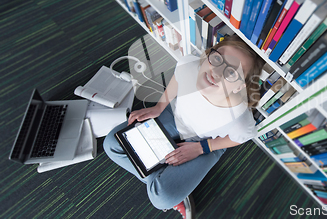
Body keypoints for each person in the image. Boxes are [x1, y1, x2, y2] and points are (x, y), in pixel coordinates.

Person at [103, 35, 265, 219]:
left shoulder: (238, 118)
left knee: (161, 198)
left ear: (239, 87)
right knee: (112, 144)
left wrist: (202, 148)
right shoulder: (190, 65)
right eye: (218, 59)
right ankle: (161, 176)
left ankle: (162, 175)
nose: (216, 72)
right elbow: (178, 79)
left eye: (231, 73)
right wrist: (159, 106)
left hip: (205, 143)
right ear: (208, 56)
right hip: (173, 116)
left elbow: (240, 137)